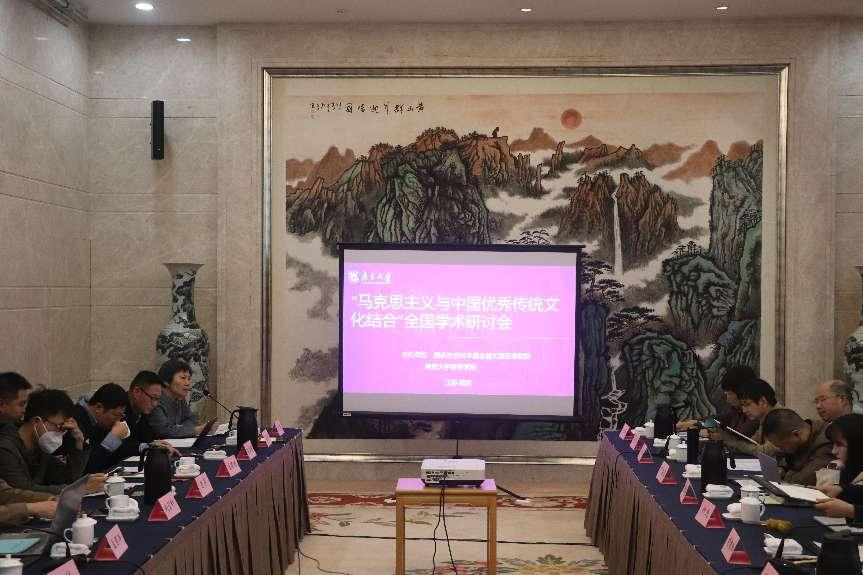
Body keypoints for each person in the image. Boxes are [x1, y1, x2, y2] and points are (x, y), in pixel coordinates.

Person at [0, 389, 103, 495]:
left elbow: (67, 478)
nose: (60, 434)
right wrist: (78, 488)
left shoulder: (39, 446)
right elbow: (24, 492)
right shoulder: (5, 448)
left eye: (64, 429)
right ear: (37, 421)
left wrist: (79, 443)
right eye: (59, 427)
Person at [84, 371, 180, 471]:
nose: (155, 404)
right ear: (137, 391)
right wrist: (147, 446)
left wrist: (152, 445)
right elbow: (118, 448)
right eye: (153, 398)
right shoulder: (117, 407)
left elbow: (146, 439)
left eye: (158, 399)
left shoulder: (141, 409)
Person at [677, 365, 759, 437]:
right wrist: (695, 423)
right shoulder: (736, 411)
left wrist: (708, 432)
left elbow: (739, 436)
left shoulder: (754, 413)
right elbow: (717, 421)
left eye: (729, 394)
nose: (727, 399)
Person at [761, 408, 834, 485]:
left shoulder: (826, 443)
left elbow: (803, 480)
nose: (780, 450)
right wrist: (782, 468)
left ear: (796, 434)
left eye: (781, 446)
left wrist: (786, 474)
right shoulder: (797, 436)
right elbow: (785, 460)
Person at [71, 383, 130, 473]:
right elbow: (87, 467)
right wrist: (113, 438)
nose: (117, 421)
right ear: (99, 407)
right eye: (115, 415)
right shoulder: (76, 420)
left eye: (121, 416)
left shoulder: (99, 422)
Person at [710, 378, 778, 456]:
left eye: (747, 404)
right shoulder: (764, 418)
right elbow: (753, 443)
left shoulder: (780, 418)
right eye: (742, 406)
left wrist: (730, 441)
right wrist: (725, 438)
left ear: (763, 401)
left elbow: (765, 451)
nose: (744, 410)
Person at [149, 358, 205, 438]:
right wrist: (195, 430)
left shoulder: (179, 398)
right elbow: (164, 431)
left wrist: (181, 429)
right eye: (183, 378)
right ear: (166, 381)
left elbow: (192, 418)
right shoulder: (155, 400)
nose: (187, 383)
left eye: (189, 379)